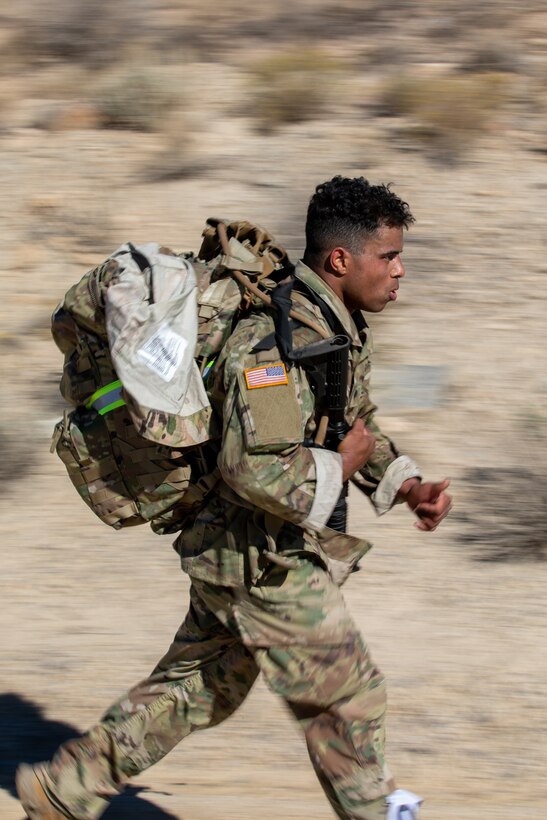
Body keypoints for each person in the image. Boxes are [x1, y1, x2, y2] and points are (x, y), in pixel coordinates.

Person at [16, 176, 452, 820]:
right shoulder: (273, 345)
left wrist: (406, 484)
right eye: (388, 256)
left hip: (238, 547)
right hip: (259, 554)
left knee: (202, 687)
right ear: (340, 260)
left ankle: (63, 791)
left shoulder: (329, 327)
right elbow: (254, 470)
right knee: (346, 696)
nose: (399, 270)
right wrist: (341, 464)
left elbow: (353, 421)